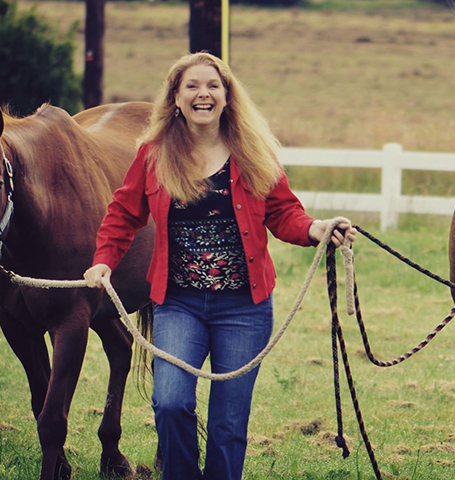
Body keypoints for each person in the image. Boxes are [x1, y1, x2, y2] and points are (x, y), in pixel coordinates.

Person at [84, 52, 355, 480]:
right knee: (170, 402)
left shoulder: (252, 152)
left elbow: (284, 212)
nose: (202, 94)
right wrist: (103, 262)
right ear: (175, 97)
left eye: (212, 85)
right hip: (178, 304)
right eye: (191, 86)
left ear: (228, 96)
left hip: (244, 309)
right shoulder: (154, 154)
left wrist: (315, 228)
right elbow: (122, 213)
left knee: (229, 425)